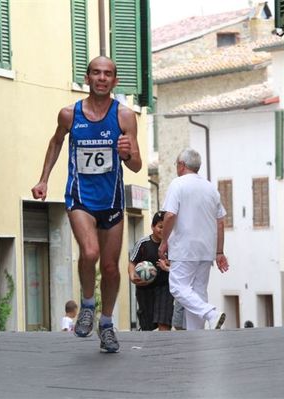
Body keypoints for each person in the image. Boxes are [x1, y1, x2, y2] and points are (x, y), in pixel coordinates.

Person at [31, 56, 142, 353]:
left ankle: (106, 324)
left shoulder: (125, 117)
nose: (102, 78)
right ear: (87, 78)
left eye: (107, 74)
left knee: (110, 267)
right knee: (90, 251)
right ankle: (88, 305)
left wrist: (127, 153)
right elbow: (55, 142)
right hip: (80, 197)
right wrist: (43, 180)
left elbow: (136, 165)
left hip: (113, 201)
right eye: (96, 73)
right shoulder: (70, 114)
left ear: (114, 81)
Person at [158, 148, 229, 331]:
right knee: (198, 292)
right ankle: (198, 336)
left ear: (182, 165)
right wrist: (219, 251)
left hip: (184, 247)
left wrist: (164, 241)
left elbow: (170, 215)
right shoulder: (210, 187)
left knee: (177, 287)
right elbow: (220, 222)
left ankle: (211, 314)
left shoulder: (178, 184)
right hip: (206, 249)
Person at [128, 211, 173, 331]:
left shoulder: (172, 244)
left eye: (166, 227)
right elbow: (132, 262)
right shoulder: (143, 243)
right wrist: (132, 276)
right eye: (160, 227)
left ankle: (164, 348)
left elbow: (178, 265)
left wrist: (169, 265)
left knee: (164, 322)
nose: (162, 230)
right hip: (145, 288)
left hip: (165, 288)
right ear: (153, 227)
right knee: (147, 326)